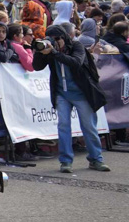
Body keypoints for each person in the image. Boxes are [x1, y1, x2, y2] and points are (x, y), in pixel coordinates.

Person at [32, 25, 109, 173]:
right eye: (52, 39)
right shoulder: (50, 50)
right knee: (63, 126)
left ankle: (96, 159)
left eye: (58, 39)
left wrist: (54, 53)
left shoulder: (76, 45)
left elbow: (75, 62)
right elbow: (36, 67)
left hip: (81, 93)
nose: (56, 42)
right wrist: (40, 52)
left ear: (65, 37)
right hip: (62, 94)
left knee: (89, 127)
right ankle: (66, 161)